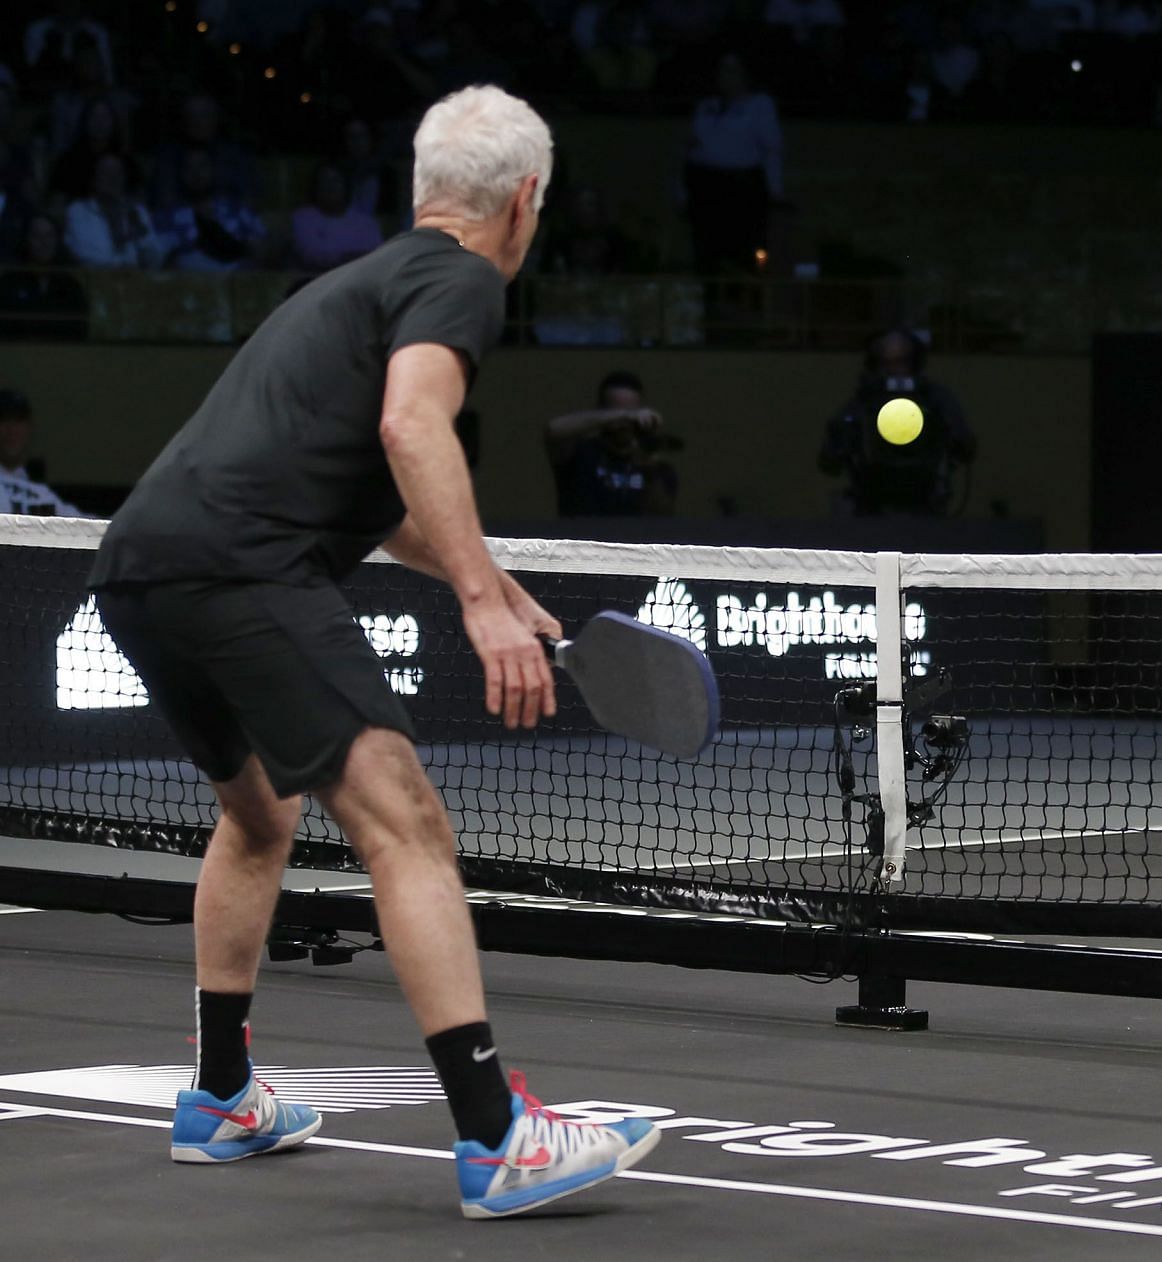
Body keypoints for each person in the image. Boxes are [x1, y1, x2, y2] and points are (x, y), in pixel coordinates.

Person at [86, 85, 657, 1219]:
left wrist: (479, 578)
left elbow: (366, 476)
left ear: (424, 188)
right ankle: (498, 1134)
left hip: (139, 565)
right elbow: (411, 426)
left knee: (259, 813)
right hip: (242, 566)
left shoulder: (352, 283)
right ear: (524, 201)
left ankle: (221, 1093)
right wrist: (485, 614)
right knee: (405, 818)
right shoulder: (461, 279)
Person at [819, 329, 975, 516]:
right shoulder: (864, 401)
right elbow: (829, 460)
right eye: (885, 363)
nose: (893, 370)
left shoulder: (935, 399)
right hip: (872, 505)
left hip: (924, 503)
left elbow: (964, 445)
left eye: (901, 362)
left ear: (914, 363)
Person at [681, 52, 782, 274]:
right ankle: (710, 304)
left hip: (743, 187)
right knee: (707, 250)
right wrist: (681, 190)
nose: (726, 76)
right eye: (722, 70)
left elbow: (771, 149)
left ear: (746, 74)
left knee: (746, 251)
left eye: (732, 70)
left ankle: (747, 302)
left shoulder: (760, 104)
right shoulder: (707, 106)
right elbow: (689, 148)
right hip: (706, 185)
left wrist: (774, 189)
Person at [546, 369, 679, 516]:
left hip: (633, 537)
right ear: (603, 411)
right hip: (582, 537)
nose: (625, 423)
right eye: (616, 411)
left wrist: (650, 472)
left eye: (632, 411)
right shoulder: (581, 453)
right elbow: (553, 430)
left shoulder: (653, 463)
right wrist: (623, 415)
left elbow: (661, 516)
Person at [156, 147, 268, 272]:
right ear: (181, 173)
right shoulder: (166, 218)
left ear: (213, 170)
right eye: (189, 167)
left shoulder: (237, 211)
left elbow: (263, 249)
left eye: (202, 166)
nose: (196, 173)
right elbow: (156, 260)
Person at [63, 153, 165, 268]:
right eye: (106, 173)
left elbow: (156, 258)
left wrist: (141, 237)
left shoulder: (137, 211)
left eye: (118, 173)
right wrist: (122, 260)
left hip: (135, 283)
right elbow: (83, 255)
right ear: (94, 179)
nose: (113, 178)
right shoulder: (78, 211)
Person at [0, 212, 88, 339]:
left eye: (50, 236)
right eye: (37, 236)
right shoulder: (8, 283)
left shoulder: (71, 286)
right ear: (26, 240)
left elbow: (80, 330)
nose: (44, 242)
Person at [0, 388, 85, 514]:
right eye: (4, 420)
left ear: (29, 428)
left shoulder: (41, 493)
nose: (12, 430)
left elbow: (90, 526)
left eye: (19, 420)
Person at [290, 161, 385, 272]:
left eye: (336, 181)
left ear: (345, 186)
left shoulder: (367, 224)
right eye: (324, 181)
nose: (330, 187)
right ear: (315, 187)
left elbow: (376, 259)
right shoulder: (301, 219)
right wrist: (346, 259)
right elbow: (309, 255)